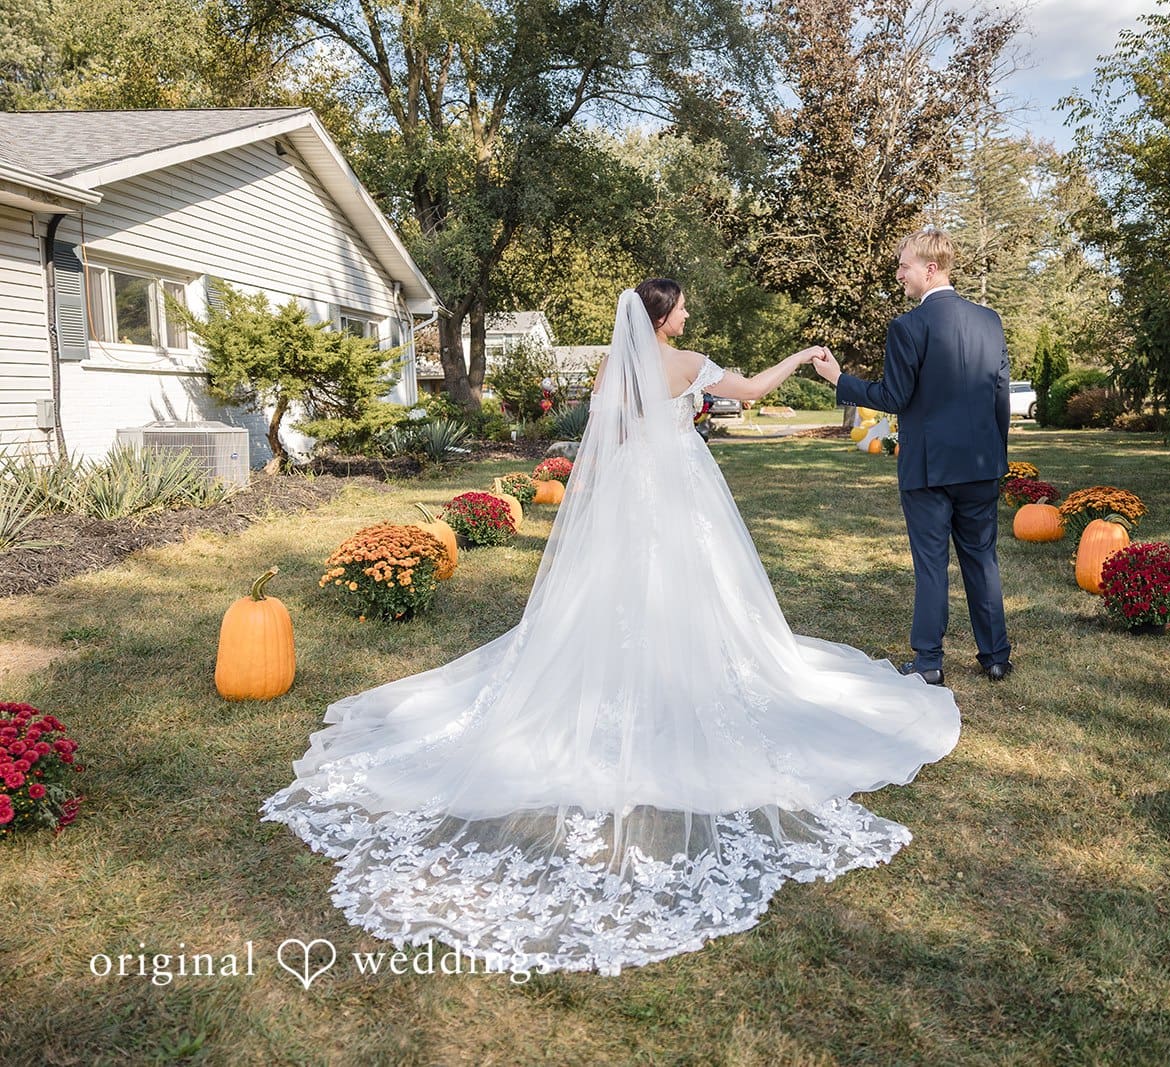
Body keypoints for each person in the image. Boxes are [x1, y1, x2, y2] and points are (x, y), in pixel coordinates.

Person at [262, 280, 961, 977]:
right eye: (683, 305)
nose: (690, 312)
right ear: (662, 318)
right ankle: (681, 685)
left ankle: (636, 683)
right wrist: (803, 354)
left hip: (630, 491)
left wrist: (592, 505)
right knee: (697, 592)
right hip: (682, 489)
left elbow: (605, 437)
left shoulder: (614, 368)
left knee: (620, 596)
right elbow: (747, 392)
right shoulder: (686, 364)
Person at [812, 229, 1012, 686]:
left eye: (904, 265)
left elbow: (894, 396)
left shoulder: (908, 327)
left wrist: (839, 378)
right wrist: (995, 454)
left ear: (929, 268)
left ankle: (929, 662)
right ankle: (995, 656)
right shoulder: (990, 321)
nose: (898, 273)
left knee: (931, 563)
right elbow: (999, 395)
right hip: (981, 465)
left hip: (928, 468)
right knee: (982, 558)